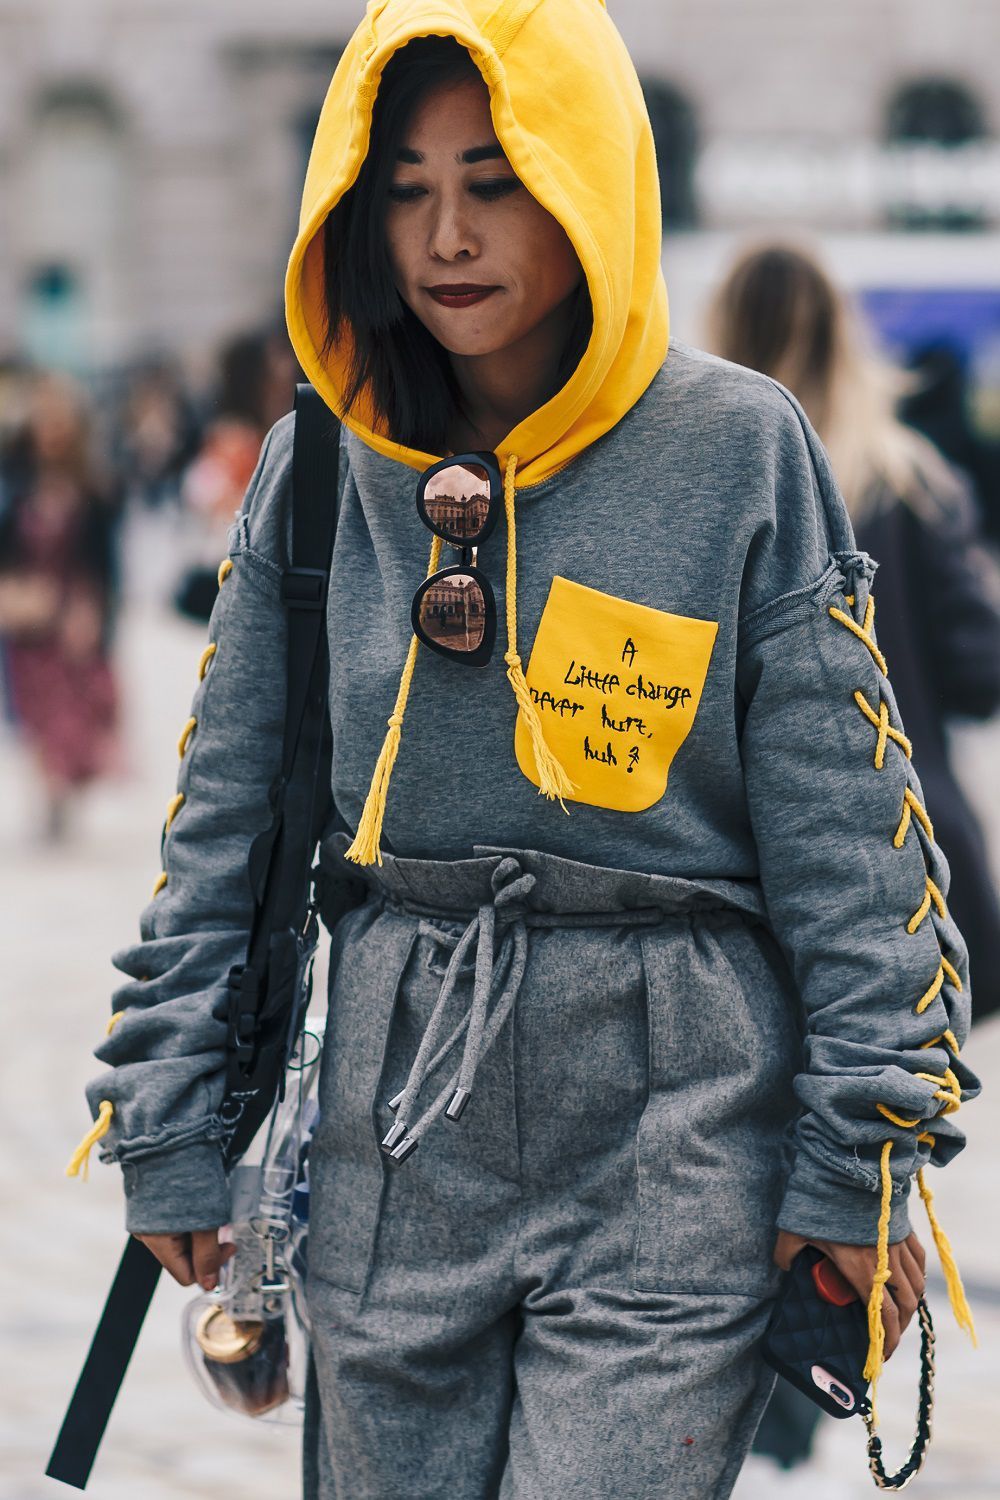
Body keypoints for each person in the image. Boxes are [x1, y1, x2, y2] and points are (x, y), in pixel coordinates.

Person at [69, 7, 979, 1497]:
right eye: (404, 189)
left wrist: (861, 1159)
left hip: (677, 1131)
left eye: (496, 182)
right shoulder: (318, 464)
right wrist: (166, 1106)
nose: (447, 236)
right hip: (393, 1124)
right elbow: (225, 814)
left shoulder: (738, 450)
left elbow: (851, 841)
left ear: (590, 182)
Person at [707, 240, 1000, 1026]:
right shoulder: (913, 484)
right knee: (905, 1086)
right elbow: (980, 676)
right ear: (845, 335)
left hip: (739, 874)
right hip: (910, 851)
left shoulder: (701, 492)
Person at [0, 372, 121, 841]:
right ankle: (49, 791)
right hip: (30, 619)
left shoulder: (92, 489)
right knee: (34, 712)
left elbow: (105, 563)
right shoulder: (15, 486)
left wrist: (98, 616)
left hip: (74, 618)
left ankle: (61, 792)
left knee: (72, 715)